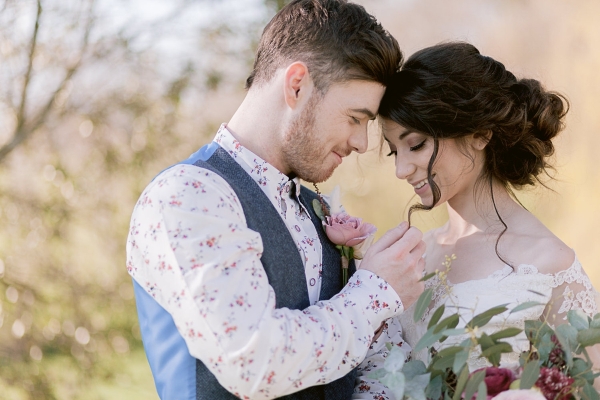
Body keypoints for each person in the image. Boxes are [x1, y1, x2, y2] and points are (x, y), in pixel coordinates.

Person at [126, 1, 427, 399]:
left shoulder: (315, 208)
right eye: (355, 118)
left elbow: (361, 363)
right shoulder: (187, 196)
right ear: (297, 85)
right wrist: (375, 291)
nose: (361, 143)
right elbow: (252, 361)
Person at [353, 42, 600, 399]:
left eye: (417, 144)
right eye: (395, 151)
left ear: (480, 134)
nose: (401, 169)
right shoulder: (411, 257)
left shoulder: (550, 265)